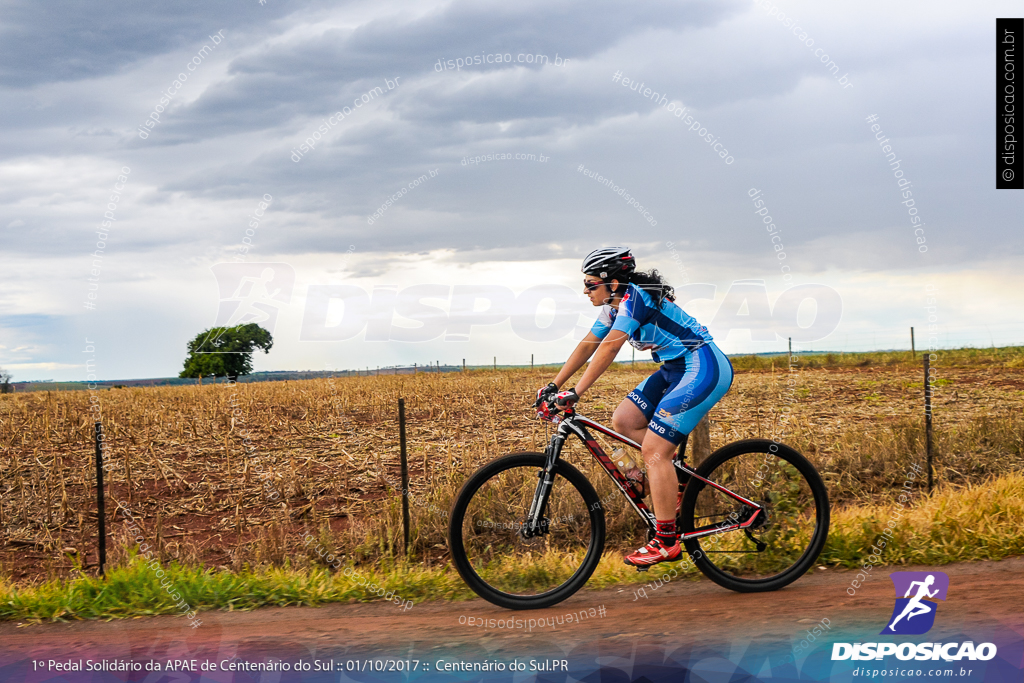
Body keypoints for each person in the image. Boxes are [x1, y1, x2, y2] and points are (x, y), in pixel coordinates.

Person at [535, 247, 733, 567]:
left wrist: (576, 391)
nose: (585, 291)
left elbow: (610, 346)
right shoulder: (612, 308)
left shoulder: (635, 297)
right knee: (625, 420)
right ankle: (676, 479)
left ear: (612, 283)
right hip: (674, 369)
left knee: (655, 451)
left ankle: (667, 540)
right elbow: (588, 344)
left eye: (590, 285)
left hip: (703, 365)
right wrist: (555, 385)